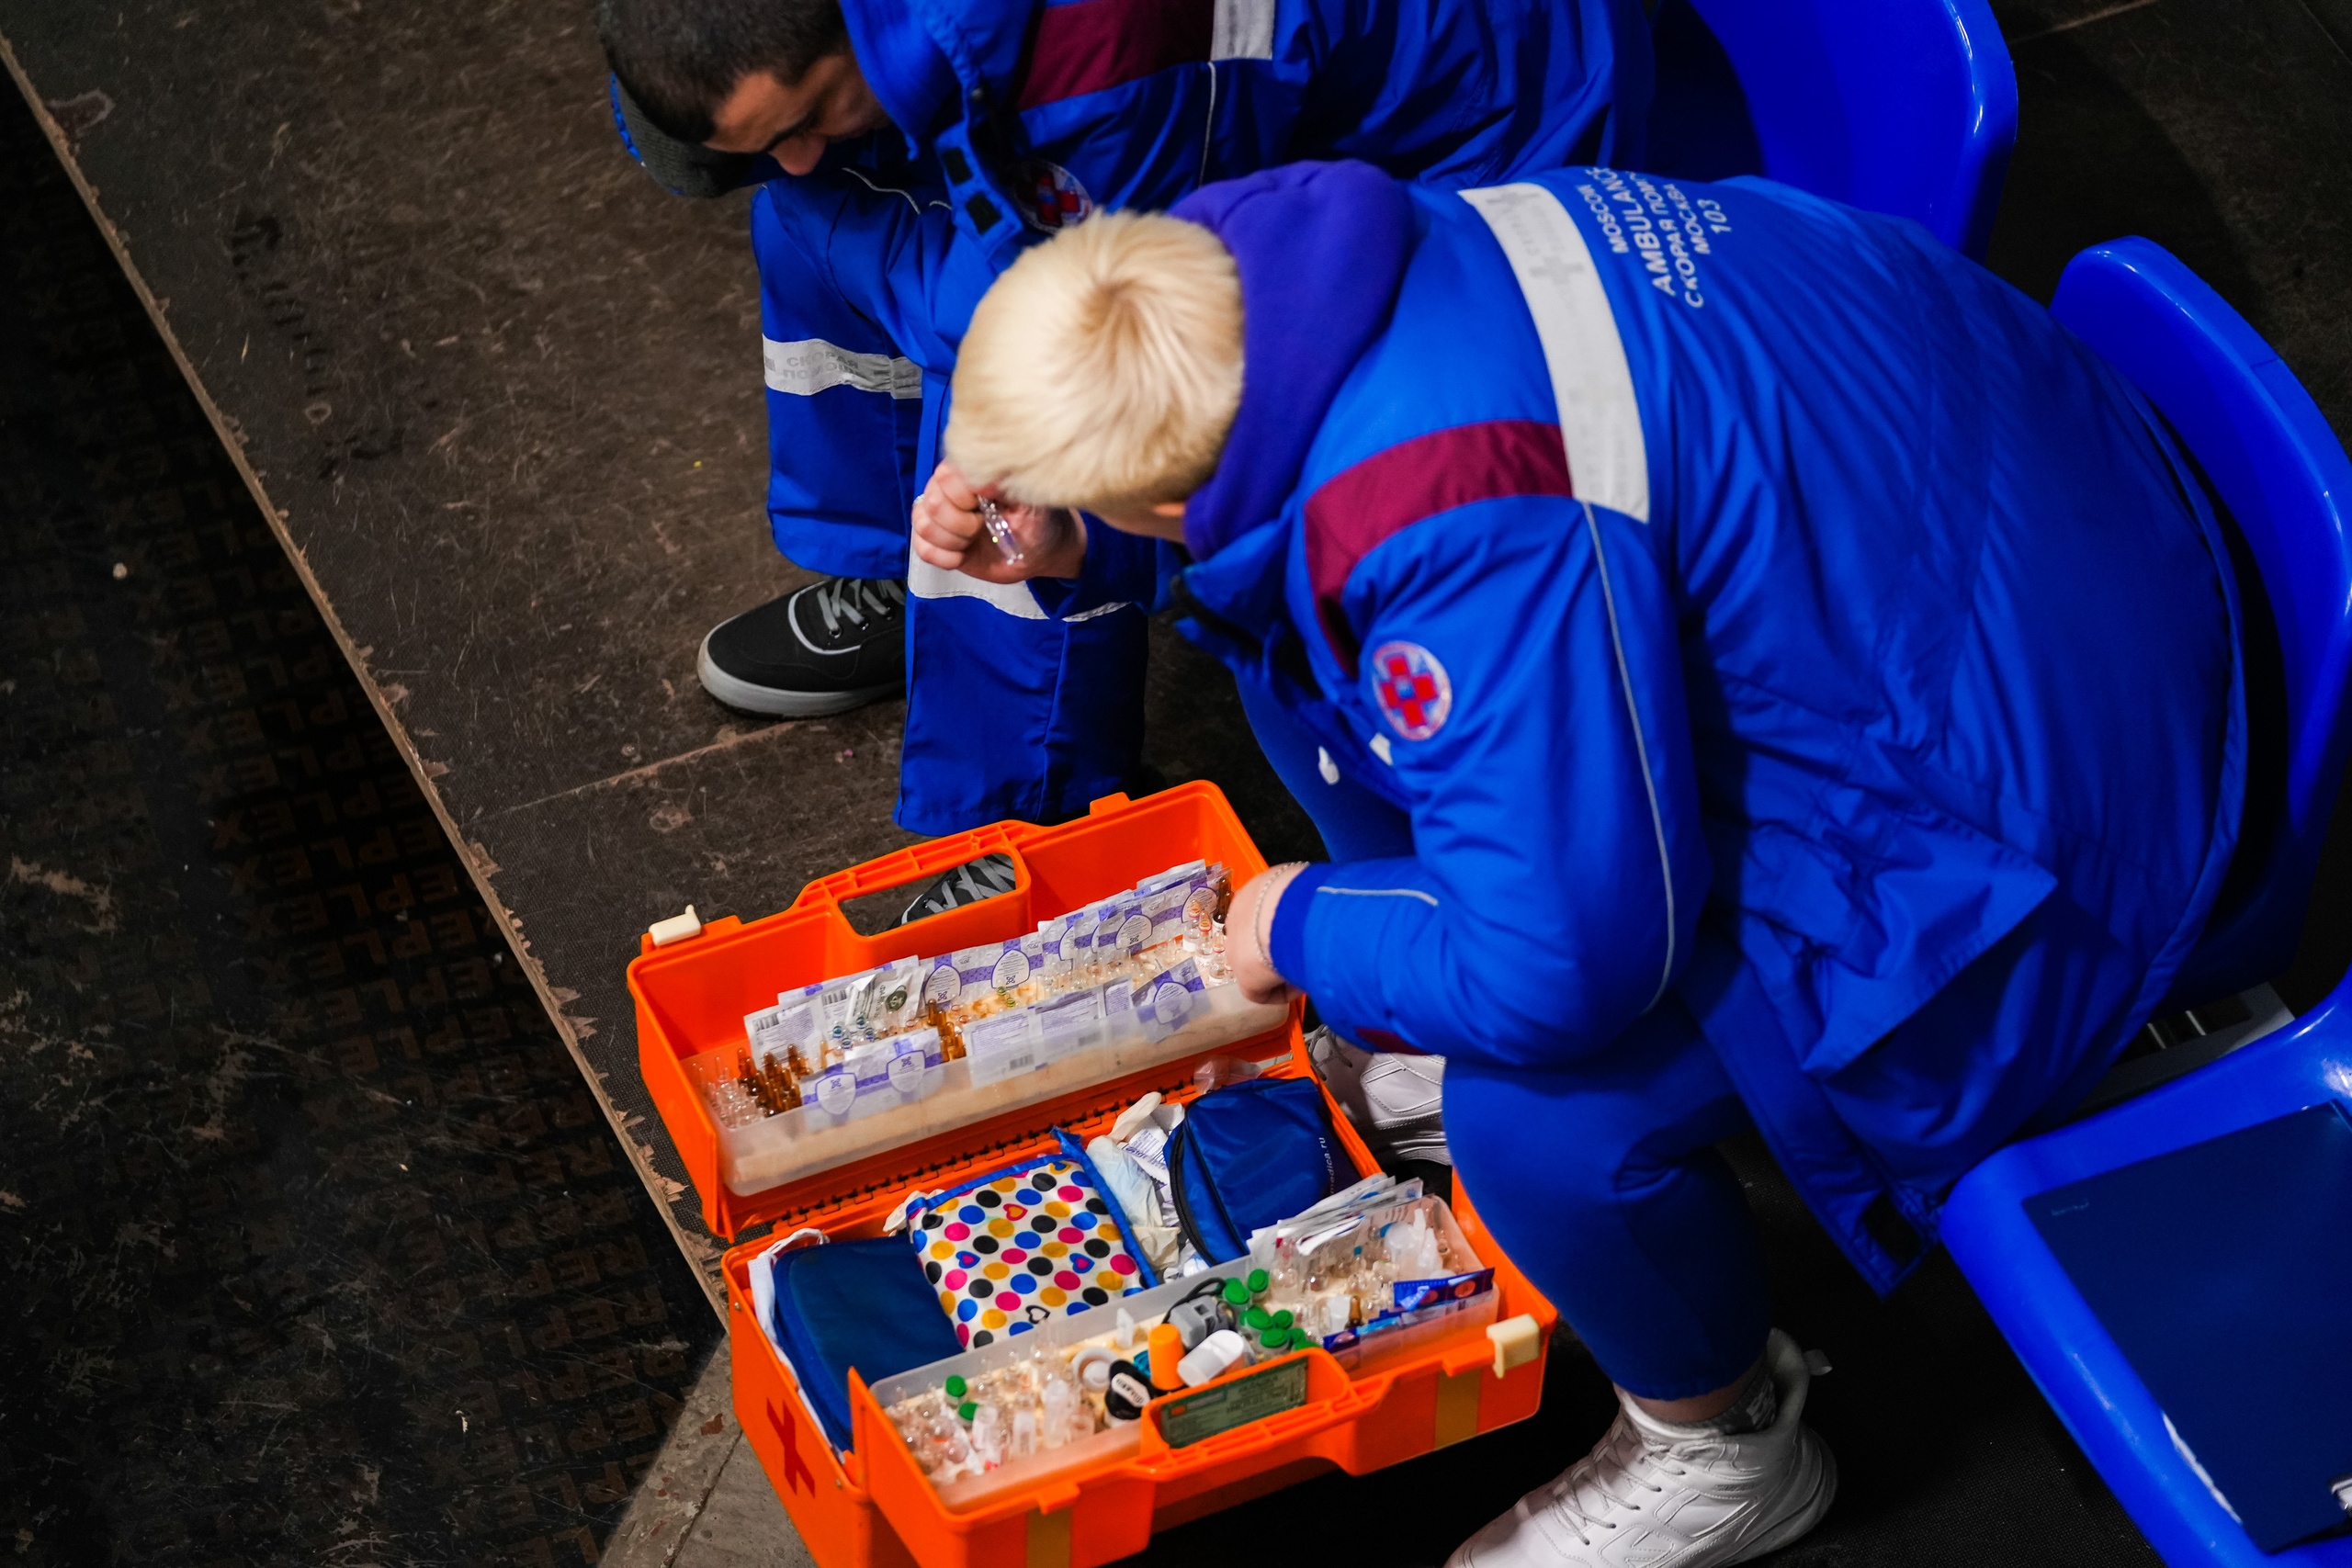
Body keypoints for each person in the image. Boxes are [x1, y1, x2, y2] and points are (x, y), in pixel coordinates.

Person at [910, 161, 2246, 1566]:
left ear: (1160, 489)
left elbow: (1565, 970)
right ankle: (1436, 1008)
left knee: (1540, 1120)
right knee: (1306, 694)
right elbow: (1295, 557)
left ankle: (1721, 1448)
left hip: (2051, 807)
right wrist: (1089, 526)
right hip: (2023, 536)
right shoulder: (1305, 273)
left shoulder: (1450, 518)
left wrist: (1298, 921)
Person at [596, 0, 1651, 835]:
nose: (793, 150)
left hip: (1484, 145)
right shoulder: (938, 42)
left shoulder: (1096, 60)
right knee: (803, 210)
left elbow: (1073, 329)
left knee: (1014, 419)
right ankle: (892, 575)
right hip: (1246, 131)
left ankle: (1024, 813)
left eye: (807, 110)